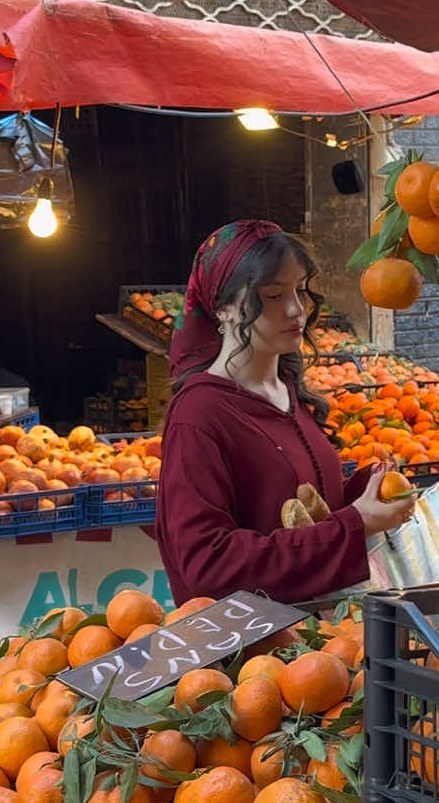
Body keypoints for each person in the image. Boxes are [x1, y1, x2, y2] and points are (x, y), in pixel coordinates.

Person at [155, 220, 415, 605]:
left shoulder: (288, 392)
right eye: (274, 295)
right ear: (224, 308)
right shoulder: (199, 415)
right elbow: (208, 566)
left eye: (299, 290)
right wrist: (352, 525)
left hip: (319, 645)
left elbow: (295, 513)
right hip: (260, 660)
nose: (296, 309)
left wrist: (366, 493)